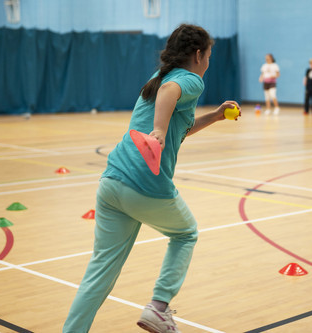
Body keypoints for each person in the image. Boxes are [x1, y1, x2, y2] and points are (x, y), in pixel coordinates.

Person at [62, 24, 240, 333]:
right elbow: (169, 101)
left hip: (112, 182)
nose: (208, 61)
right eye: (208, 55)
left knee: (100, 272)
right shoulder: (190, 81)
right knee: (186, 233)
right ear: (198, 55)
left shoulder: (157, 79)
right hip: (144, 183)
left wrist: (214, 115)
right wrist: (158, 130)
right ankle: (158, 307)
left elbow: (180, 129)